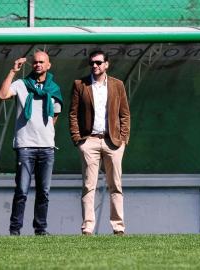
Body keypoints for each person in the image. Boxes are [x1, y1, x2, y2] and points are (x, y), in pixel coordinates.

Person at [0, 51, 63, 236]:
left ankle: (40, 229)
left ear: (49, 65)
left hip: (47, 147)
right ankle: (15, 229)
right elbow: (2, 95)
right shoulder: (20, 84)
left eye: (42, 62)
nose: (38, 65)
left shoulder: (54, 89)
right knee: (22, 191)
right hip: (25, 145)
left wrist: (45, 132)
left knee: (44, 192)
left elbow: (55, 115)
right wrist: (13, 71)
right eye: (35, 62)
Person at [69, 50, 130, 236]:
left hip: (113, 142)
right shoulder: (80, 84)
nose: (94, 66)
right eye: (92, 63)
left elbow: (125, 114)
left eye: (98, 63)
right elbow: (73, 113)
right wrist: (78, 139)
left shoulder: (117, 85)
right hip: (90, 141)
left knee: (115, 185)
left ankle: (118, 227)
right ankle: (88, 228)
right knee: (89, 185)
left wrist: (123, 139)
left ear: (106, 64)